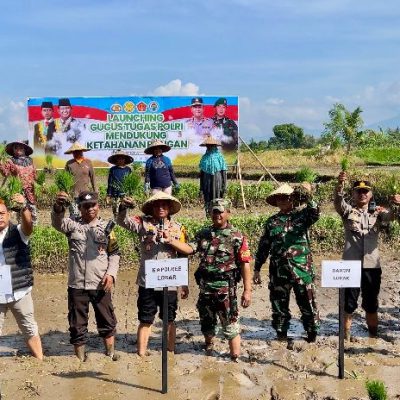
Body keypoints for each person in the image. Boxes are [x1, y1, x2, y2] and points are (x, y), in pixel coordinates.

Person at [167, 198, 252, 362]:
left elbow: (245, 264)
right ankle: (209, 345)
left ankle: (235, 357)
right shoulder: (203, 234)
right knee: (206, 322)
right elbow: (189, 249)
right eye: (214, 211)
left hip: (226, 289)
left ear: (228, 213)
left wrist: (248, 291)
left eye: (220, 211)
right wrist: (171, 241)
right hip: (205, 288)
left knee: (231, 324)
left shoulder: (237, 237)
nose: (217, 215)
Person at [116, 192, 189, 356]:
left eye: (164, 205)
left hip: (170, 281)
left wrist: (184, 283)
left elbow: (185, 254)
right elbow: (122, 221)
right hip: (147, 281)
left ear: (169, 208)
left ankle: (170, 351)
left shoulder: (179, 228)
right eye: (157, 205)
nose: (161, 208)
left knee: (169, 318)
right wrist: (123, 207)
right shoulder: (143, 223)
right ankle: (141, 353)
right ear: (152, 208)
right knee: (145, 318)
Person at [51, 191, 120, 361]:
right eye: (86, 206)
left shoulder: (107, 227)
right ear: (80, 208)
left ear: (98, 206)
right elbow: (57, 222)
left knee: (107, 320)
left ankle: (110, 353)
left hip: (100, 284)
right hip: (77, 285)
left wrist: (111, 275)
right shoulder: (72, 225)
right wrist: (58, 206)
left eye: (93, 205)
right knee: (77, 324)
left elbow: (115, 253)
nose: (90, 209)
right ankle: (80, 359)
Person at [334, 172, 400, 339]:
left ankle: (372, 337)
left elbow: (391, 216)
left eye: (365, 191)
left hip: (372, 266)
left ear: (370, 194)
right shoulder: (347, 211)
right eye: (358, 191)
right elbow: (338, 202)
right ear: (353, 194)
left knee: (371, 305)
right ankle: (346, 339)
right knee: (348, 304)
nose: (362, 194)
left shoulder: (378, 213)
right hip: (350, 265)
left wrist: (396, 204)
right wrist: (340, 185)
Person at [253, 183, 320, 343]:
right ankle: (281, 335)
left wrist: (307, 195)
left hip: (302, 270)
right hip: (278, 273)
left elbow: (315, 212)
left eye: (286, 197)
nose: (282, 200)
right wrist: (256, 268)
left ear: (293, 199)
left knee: (308, 305)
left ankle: (312, 335)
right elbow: (264, 246)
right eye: (279, 198)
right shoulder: (272, 222)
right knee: (279, 306)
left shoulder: (303, 216)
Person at [0, 194, 43, 360]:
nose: (0, 217)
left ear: (9, 214)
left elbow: (29, 226)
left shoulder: (18, 232)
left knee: (29, 328)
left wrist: (24, 206)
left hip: (19, 291)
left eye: (2, 213)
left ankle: (40, 361)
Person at [0, 141, 38, 223]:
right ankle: (22, 231)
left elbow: (35, 175)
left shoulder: (30, 160)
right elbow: (5, 173)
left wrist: (40, 185)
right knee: (21, 214)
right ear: (13, 150)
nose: (18, 149)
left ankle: (34, 230)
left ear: (24, 149)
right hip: (19, 191)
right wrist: (0, 163)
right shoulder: (10, 161)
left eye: (20, 147)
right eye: (16, 147)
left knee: (33, 212)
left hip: (31, 191)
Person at [64, 142, 97, 220]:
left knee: (87, 213)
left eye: (79, 151)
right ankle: (74, 230)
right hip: (73, 194)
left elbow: (93, 178)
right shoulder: (69, 164)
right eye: (75, 151)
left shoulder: (88, 162)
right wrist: (66, 192)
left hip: (86, 194)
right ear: (72, 153)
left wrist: (95, 191)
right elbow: (65, 179)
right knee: (74, 215)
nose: (77, 153)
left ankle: (86, 230)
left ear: (82, 151)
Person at [199, 136, 227, 215]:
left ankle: (217, 215)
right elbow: (201, 174)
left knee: (217, 198)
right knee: (208, 198)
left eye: (211, 145)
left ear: (215, 146)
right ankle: (208, 215)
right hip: (206, 180)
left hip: (217, 179)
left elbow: (223, 172)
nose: (209, 147)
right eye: (208, 145)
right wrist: (201, 187)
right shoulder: (204, 158)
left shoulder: (219, 157)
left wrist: (224, 186)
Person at [106, 150, 133, 219]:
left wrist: (131, 193)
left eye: (122, 158)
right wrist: (108, 194)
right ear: (116, 160)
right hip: (115, 193)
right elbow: (110, 182)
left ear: (125, 159)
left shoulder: (128, 170)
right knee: (115, 210)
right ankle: (116, 222)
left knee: (124, 209)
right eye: (119, 158)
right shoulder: (113, 169)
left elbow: (130, 183)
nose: (120, 160)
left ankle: (124, 222)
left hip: (125, 194)